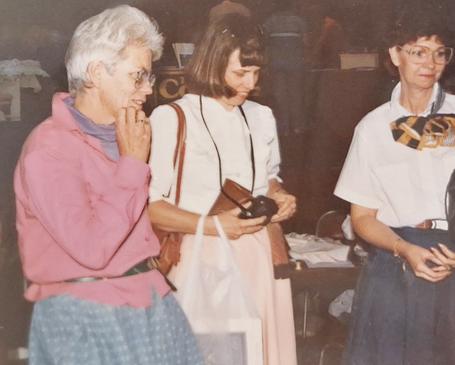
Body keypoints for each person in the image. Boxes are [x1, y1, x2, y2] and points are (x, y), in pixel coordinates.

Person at [333, 10, 455, 365]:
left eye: (439, 53)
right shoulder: (372, 128)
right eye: (419, 51)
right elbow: (361, 217)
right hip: (396, 269)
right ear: (395, 55)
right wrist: (403, 248)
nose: (431, 63)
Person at [13, 5, 201, 364]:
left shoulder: (126, 134)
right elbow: (91, 249)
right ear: (96, 72)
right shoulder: (48, 148)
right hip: (87, 316)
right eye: (138, 76)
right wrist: (132, 164)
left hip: (150, 304)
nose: (148, 89)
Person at [148, 13, 297, 365]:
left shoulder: (262, 117)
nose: (249, 84)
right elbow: (152, 207)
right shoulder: (172, 118)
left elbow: (268, 177)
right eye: (239, 73)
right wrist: (214, 225)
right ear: (212, 64)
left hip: (260, 257)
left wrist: (279, 195)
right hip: (200, 260)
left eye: (256, 73)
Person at [262, 0, 308, 135]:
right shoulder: (299, 21)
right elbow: (306, 43)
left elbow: (264, 43)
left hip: (276, 63)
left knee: (279, 96)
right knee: (296, 95)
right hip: (295, 62)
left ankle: (284, 128)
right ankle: (298, 126)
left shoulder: (269, 22)